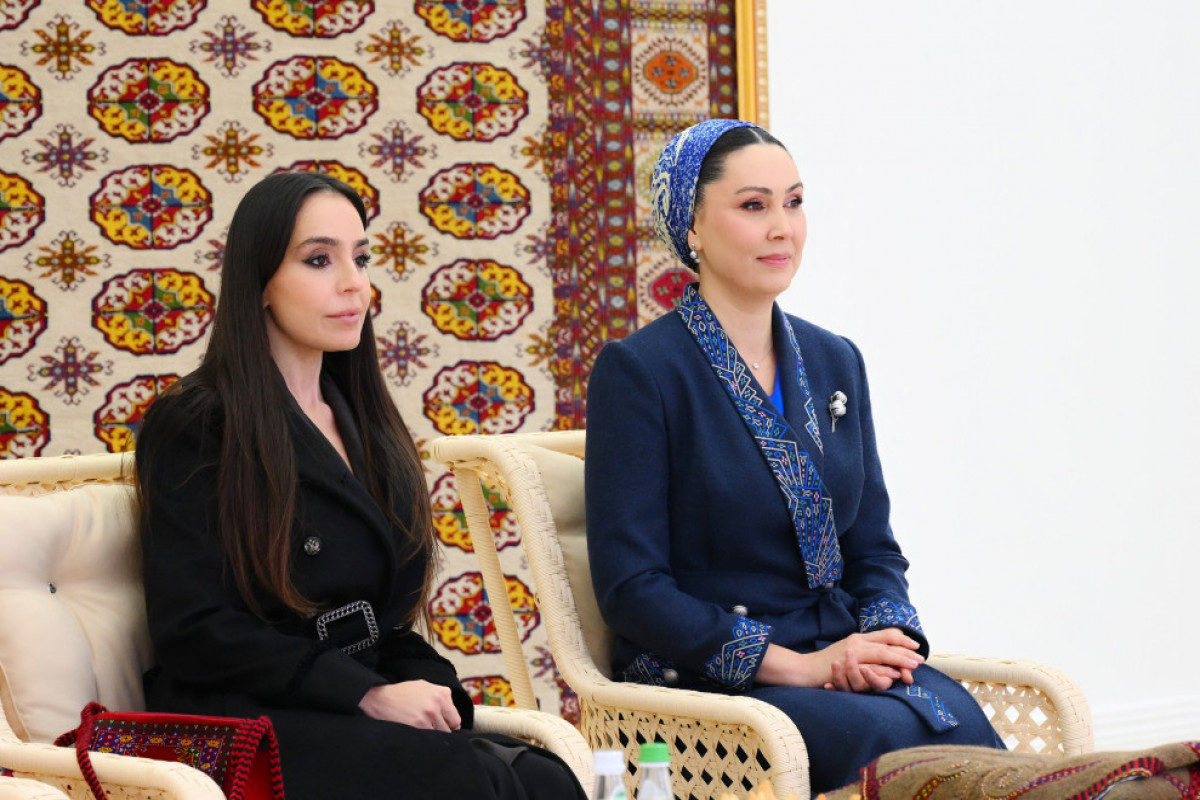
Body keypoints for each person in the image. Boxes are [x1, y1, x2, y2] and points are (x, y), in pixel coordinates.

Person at [584, 119, 1006, 794]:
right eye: (754, 206)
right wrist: (801, 666)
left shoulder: (835, 359)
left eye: (795, 202)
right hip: (711, 684)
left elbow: (872, 547)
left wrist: (885, 642)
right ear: (692, 227)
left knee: (960, 724)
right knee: (892, 741)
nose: (782, 228)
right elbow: (632, 590)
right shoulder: (640, 372)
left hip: (837, 657)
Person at [135, 171, 586, 800]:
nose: (354, 283)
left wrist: (429, 689)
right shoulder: (198, 422)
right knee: (469, 779)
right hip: (241, 719)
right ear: (259, 282)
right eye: (320, 260)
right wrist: (365, 693)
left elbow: (385, 622)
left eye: (361, 257)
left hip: (341, 704)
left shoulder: (365, 422)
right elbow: (194, 628)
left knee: (543, 775)